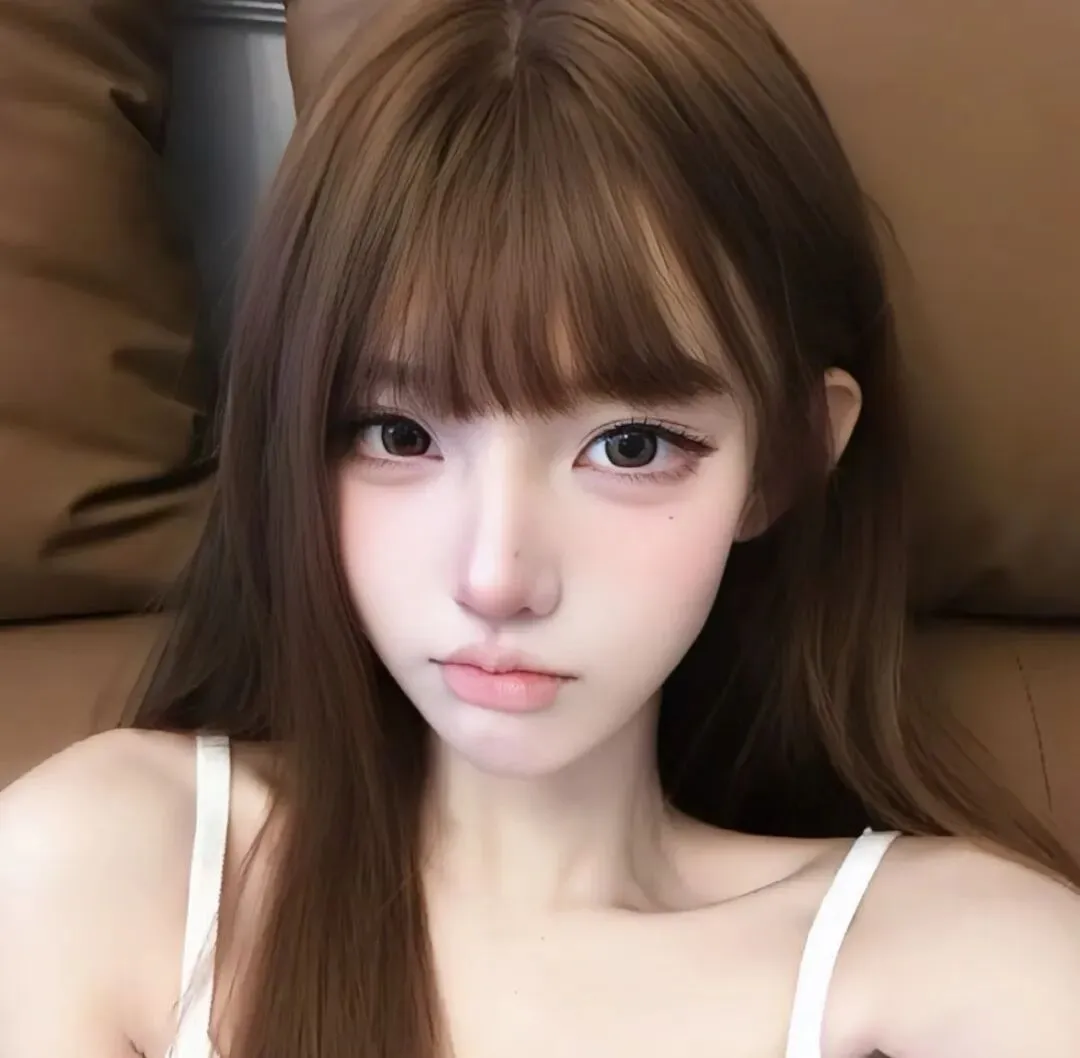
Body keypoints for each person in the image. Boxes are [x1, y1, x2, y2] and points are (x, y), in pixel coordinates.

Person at [1, 0, 1078, 1056]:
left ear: (784, 460)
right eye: (398, 433)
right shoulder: (108, 872)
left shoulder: (961, 966)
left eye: (630, 447)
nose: (496, 576)